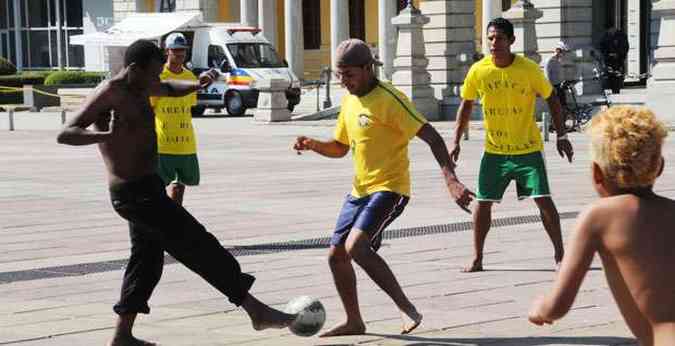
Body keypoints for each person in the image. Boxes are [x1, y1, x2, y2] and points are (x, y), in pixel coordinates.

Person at [57, 39, 294, 346]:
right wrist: (106, 134)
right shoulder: (110, 93)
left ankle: (122, 336)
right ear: (133, 69)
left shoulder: (143, 86)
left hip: (148, 186)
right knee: (198, 244)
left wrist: (197, 84)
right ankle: (255, 310)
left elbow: (169, 89)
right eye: (154, 73)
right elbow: (66, 133)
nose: (158, 80)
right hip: (133, 194)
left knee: (146, 261)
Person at [293, 38, 474, 337]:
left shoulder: (391, 98)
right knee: (335, 256)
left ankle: (406, 308)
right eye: (339, 75)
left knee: (356, 247)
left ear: (368, 69)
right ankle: (354, 321)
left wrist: (451, 180)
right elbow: (340, 148)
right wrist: (312, 144)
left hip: (390, 187)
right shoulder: (350, 101)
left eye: (349, 75)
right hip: (359, 190)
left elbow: (432, 137)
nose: (344, 82)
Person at [529, 106, 674, 346]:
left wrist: (540, 308)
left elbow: (558, 305)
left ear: (596, 173)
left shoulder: (599, 216)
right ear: (659, 167)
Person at [452, 18, 574, 273]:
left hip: (527, 150)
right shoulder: (479, 70)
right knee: (482, 203)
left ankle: (561, 256)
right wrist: (455, 141)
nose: (494, 43)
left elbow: (552, 99)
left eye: (499, 38)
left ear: (511, 41)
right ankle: (477, 258)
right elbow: (466, 105)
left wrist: (562, 136)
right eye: (490, 38)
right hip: (494, 152)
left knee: (543, 200)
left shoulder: (529, 70)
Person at [151, 32, 200, 205]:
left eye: (183, 51)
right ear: (167, 51)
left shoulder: (190, 77)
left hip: (185, 143)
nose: (180, 54)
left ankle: (173, 222)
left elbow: (189, 108)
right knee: (156, 188)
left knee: (179, 188)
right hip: (162, 143)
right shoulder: (159, 77)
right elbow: (149, 108)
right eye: (175, 50)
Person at [598, 27, 629, 94]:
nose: (611, 30)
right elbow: (602, 47)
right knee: (610, 75)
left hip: (618, 59)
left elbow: (625, 47)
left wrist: (618, 54)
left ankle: (617, 88)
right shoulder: (605, 36)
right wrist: (607, 54)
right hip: (609, 59)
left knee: (618, 75)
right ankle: (611, 88)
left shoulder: (622, 35)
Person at [544, 41, 570, 113]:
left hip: (560, 88)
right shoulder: (549, 60)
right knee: (557, 110)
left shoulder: (559, 61)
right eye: (563, 52)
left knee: (563, 107)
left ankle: (563, 122)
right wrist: (552, 90)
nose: (564, 54)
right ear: (558, 50)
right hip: (554, 89)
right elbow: (547, 77)